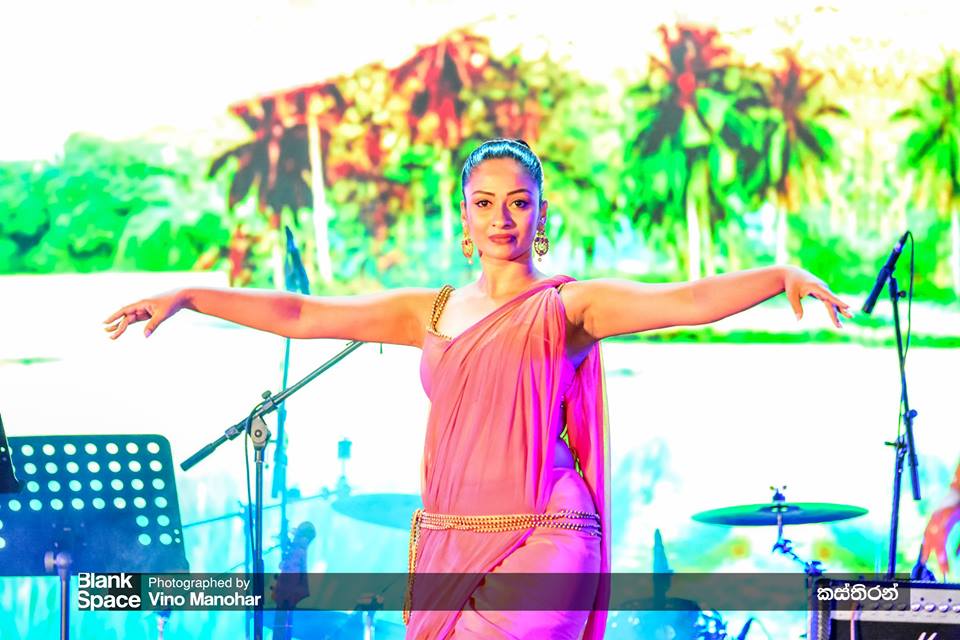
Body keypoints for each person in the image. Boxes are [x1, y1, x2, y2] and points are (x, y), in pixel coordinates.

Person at [105, 139, 853, 639]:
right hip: (451, 540)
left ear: (541, 214)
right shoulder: (427, 311)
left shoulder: (568, 305)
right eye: (486, 202)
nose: (503, 217)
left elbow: (683, 301)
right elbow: (301, 314)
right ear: (464, 215)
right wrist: (190, 295)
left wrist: (778, 276)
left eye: (519, 201)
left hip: (549, 535)